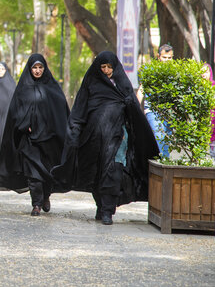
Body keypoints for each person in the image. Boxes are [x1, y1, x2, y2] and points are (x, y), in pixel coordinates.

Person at [52, 51, 159, 225]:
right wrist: (74, 134)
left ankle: (108, 210)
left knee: (113, 171)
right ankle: (100, 207)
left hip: (118, 139)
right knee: (96, 172)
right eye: (103, 67)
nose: (107, 70)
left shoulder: (122, 85)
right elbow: (79, 110)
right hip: (93, 139)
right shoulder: (91, 83)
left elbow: (133, 110)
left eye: (110, 67)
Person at [0, 54, 69, 216]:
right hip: (29, 141)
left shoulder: (52, 88)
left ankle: (46, 197)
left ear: (45, 68)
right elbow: (15, 113)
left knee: (48, 172)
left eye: (40, 67)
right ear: (29, 69)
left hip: (49, 141)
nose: (37, 71)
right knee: (33, 175)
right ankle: (36, 203)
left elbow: (61, 112)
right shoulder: (23, 89)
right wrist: (24, 125)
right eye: (34, 68)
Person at [137, 44, 174, 157]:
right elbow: (141, 90)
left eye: (170, 58)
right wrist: (135, 109)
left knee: (166, 141)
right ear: (158, 56)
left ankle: (162, 164)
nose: (167, 60)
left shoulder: (176, 73)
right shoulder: (150, 70)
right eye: (164, 57)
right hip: (153, 111)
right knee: (160, 138)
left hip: (169, 113)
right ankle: (161, 164)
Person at [0, 62, 16, 161]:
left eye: (2, 69)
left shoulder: (11, 83)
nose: (0, 71)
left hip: (6, 116)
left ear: (6, 70)